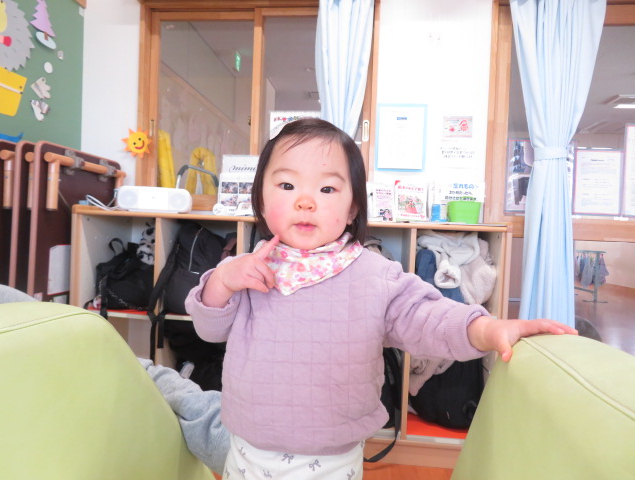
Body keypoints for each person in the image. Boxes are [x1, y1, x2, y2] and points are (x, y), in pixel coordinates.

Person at [185, 118, 577, 480]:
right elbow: (208, 328)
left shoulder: (374, 275)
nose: (305, 201)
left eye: (327, 189)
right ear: (260, 199)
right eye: (287, 186)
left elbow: (428, 317)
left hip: (333, 456)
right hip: (250, 447)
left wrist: (486, 329)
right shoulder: (246, 268)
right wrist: (222, 280)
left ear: (352, 207)